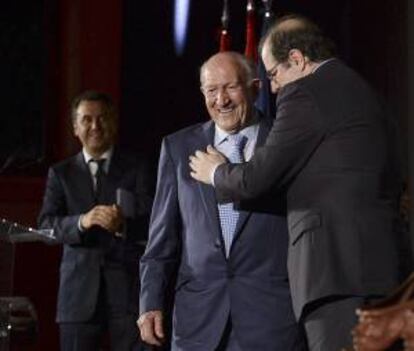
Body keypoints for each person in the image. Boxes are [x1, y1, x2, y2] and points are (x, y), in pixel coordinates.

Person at [189, 15, 403, 350]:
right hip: (380, 270)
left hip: (337, 274)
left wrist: (216, 172)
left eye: (273, 74)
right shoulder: (363, 90)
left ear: (298, 60)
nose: (273, 88)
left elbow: (259, 176)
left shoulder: (306, 91)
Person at [138, 52, 307, 351]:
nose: (221, 100)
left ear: (255, 88)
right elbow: (160, 241)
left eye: (230, 87)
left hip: (271, 321)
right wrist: (149, 303)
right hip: (198, 323)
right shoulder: (178, 148)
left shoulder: (286, 142)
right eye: (211, 90)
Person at [38, 90, 153, 351]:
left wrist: (123, 225)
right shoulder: (60, 174)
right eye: (87, 119)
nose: (95, 126)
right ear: (75, 127)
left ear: (113, 122)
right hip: (77, 297)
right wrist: (82, 221)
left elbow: (155, 220)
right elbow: (45, 226)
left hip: (129, 294)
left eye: (102, 118)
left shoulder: (138, 167)